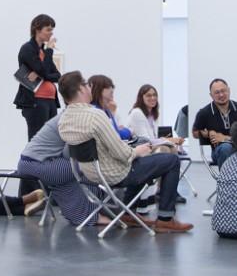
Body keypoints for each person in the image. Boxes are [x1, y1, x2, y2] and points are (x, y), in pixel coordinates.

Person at [58, 71, 193, 233]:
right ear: (80, 89)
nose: (89, 87)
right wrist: (138, 150)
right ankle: (165, 218)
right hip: (114, 173)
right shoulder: (95, 116)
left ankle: (128, 213)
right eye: (86, 84)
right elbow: (122, 154)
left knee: (144, 163)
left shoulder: (64, 119)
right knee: (171, 161)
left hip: (89, 174)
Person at [16, 112, 112, 227]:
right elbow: (70, 154)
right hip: (35, 164)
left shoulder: (72, 116)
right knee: (84, 167)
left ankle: (87, 212)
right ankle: (89, 214)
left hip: (34, 163)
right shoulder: (73, 119)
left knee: (80, 169)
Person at [14, 14, 61, 195]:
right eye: (48, 29)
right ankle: (28, 192)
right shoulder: (27, 49)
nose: (51, 33)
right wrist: (48, 54)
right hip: (35, 103)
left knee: (50, 146)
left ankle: (46, 189)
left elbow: (56, 75)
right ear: (37, 29)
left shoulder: (43, 52)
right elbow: (43, 70)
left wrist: (44, 71)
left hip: (50, 102)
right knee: (36, 146)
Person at [126, 84, 186, 213]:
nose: (153, 98)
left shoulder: (151, 114)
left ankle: (166, 190)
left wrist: (170, 142)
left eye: (154, 95)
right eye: (149, 95)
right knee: (165, 150)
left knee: (170, 150)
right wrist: (169, 140)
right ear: (141, 97)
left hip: (146, 148)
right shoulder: (137, 113)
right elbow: (146, 140)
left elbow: (152, 138)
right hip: (137, 152)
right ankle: (165, 191)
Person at [192, 78, 237, 167]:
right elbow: (195, 133)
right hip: (220, 150)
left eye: (223, 91)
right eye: (217, 92)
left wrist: (224, 138)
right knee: (226, 148)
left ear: (229, 90)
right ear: (211, 95)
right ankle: (226, 180)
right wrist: (208, 133)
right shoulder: (204, 113)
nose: (221, 95)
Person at [89, 74, 133, 141]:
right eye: (108, 87)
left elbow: (117, 133)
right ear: (98, 89)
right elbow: (116, 135)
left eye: (112, 86)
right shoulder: (95, 111)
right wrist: (129, 131)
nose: (112, 89)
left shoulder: (107, 109)